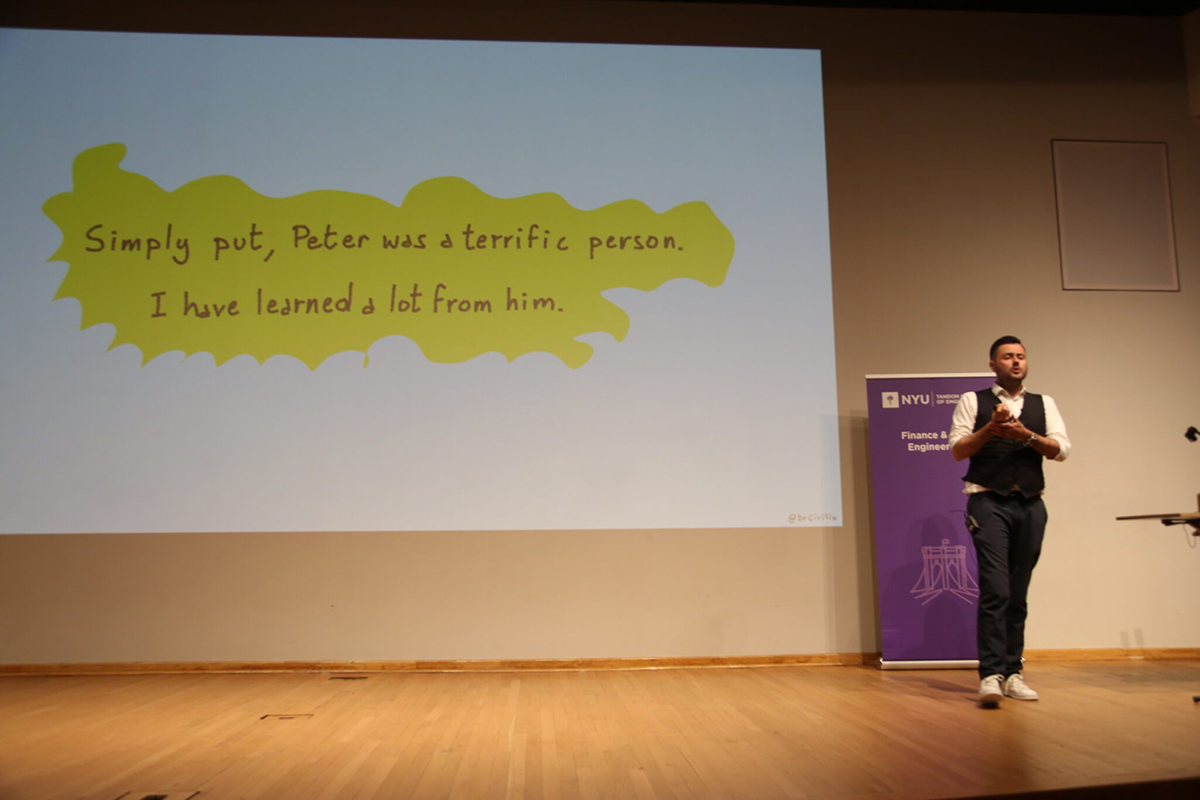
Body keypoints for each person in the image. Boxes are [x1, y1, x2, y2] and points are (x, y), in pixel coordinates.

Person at [949, 336, 1070, 708]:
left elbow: (1061, 450)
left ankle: (1013, 673)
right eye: (1007, 357)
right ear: (992, 364)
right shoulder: (974, 401)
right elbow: (957, 450)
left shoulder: (1042, 403)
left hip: (1031, 504)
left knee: (1018, 592)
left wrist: (1026, 435)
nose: (1015, 362)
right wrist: (992, 428)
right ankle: (990, 675)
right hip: (988, 501)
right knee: (996, 588)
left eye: (1020, 356)